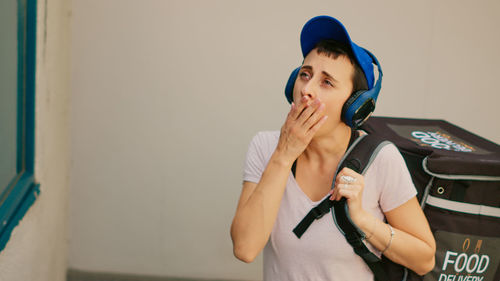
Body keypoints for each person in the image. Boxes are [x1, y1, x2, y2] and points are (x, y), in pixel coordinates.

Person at [230, 15, 436, 280]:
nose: (307, 89)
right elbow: (245, 248)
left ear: (356, 106)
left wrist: (362, 220)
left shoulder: (382, 159)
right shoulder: (266, 146)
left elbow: (424, 260)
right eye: (305, 74)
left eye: (326, 82)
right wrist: (283, 155)